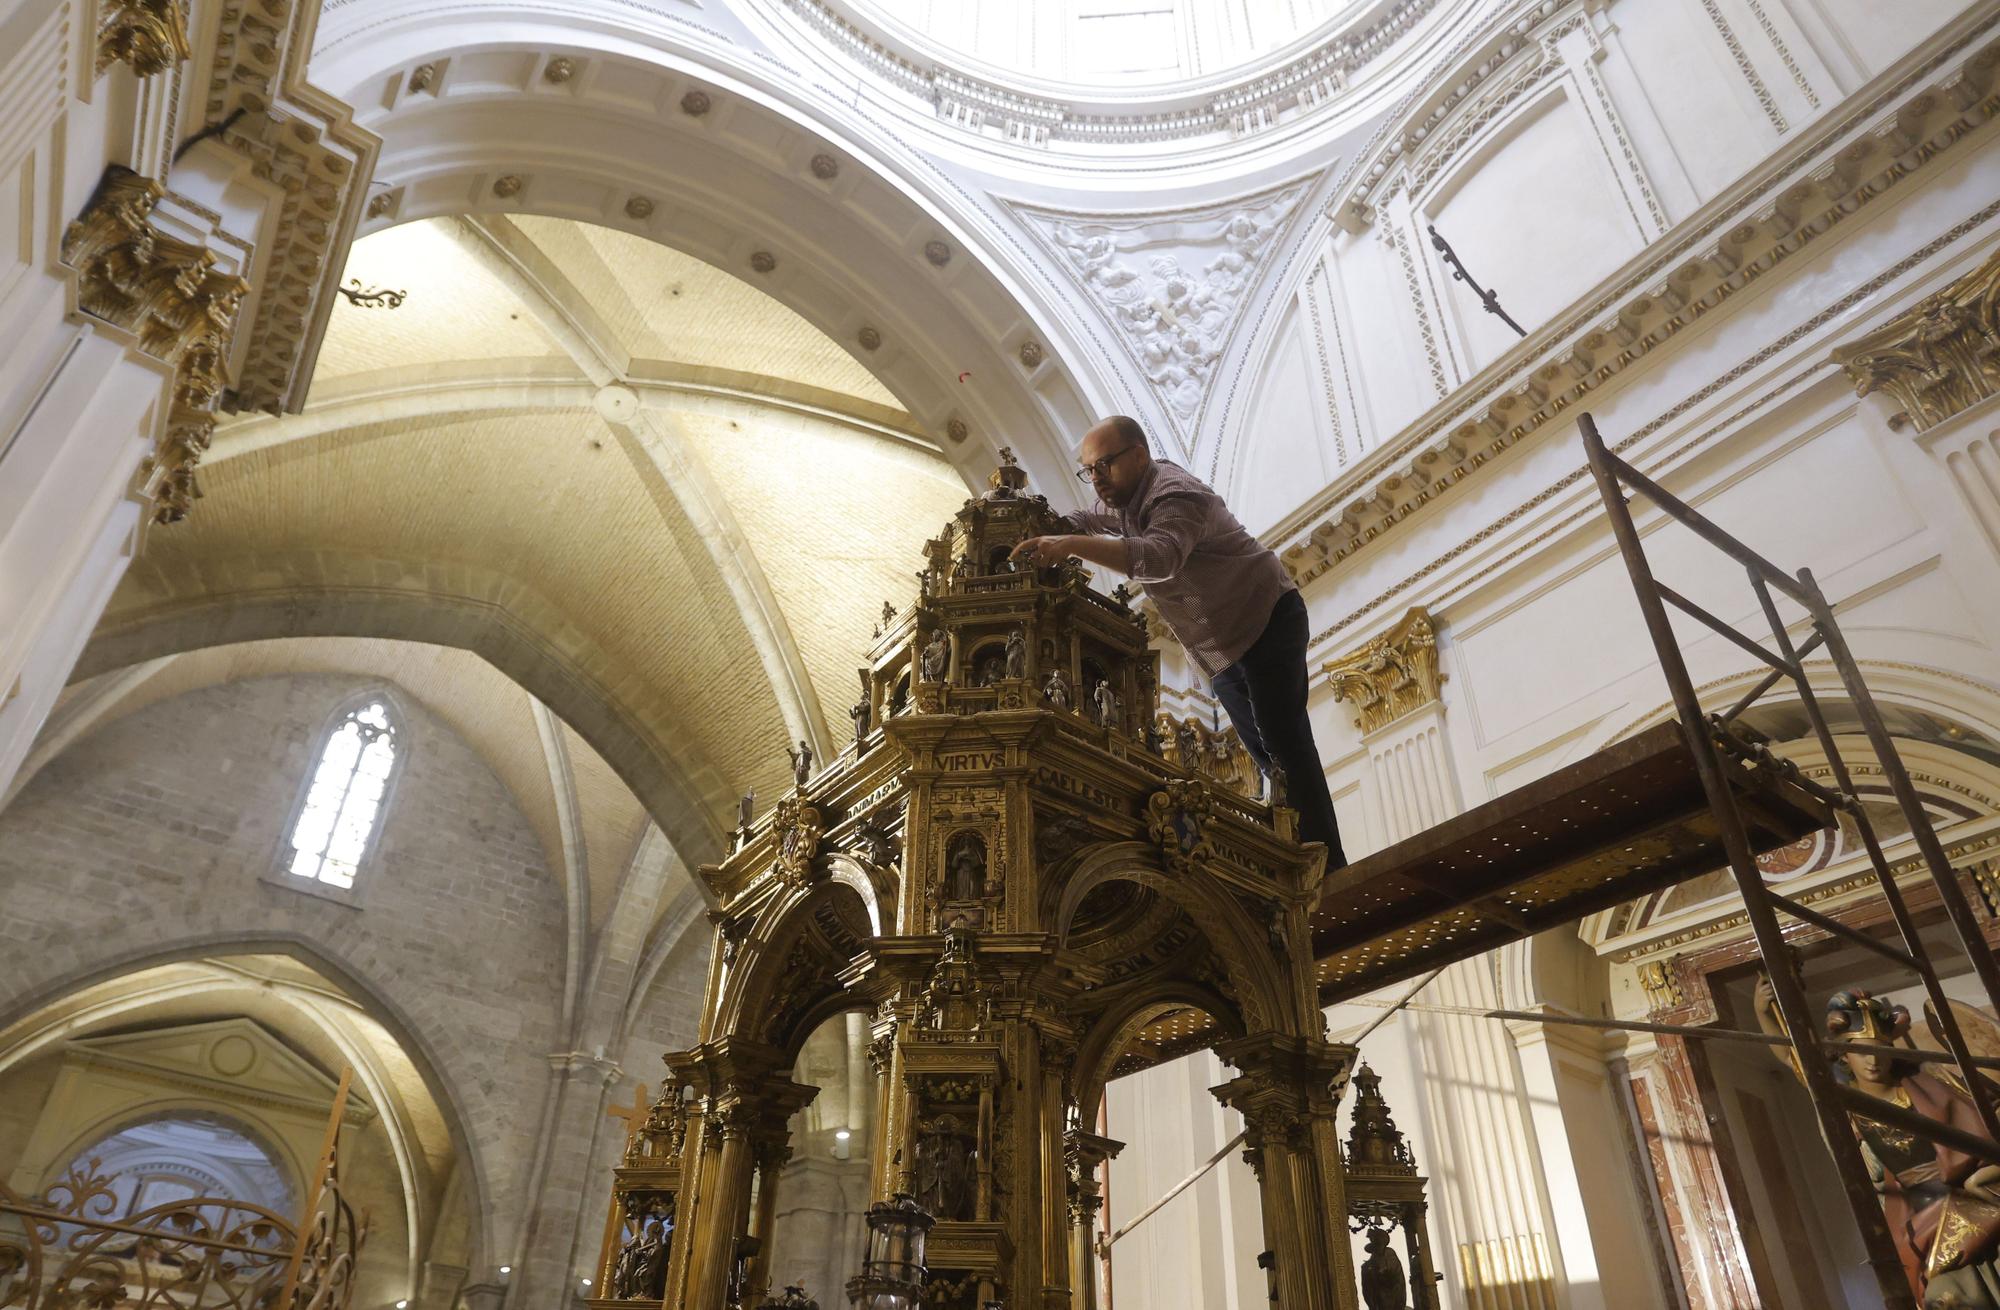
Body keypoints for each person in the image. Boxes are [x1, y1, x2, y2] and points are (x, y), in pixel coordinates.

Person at [1011, 415, 1345, 865]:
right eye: (1088, 470)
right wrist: (1037, 525)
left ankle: (1330, 868)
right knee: (1268, 761)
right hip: (1223, 652)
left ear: (1139, 455)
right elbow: (1083, 518)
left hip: (1267, 620)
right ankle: (1302, 866)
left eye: (1104, 465)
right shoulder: (1119, 502)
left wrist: (1068, 543)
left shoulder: (1174, 492)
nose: (1096, 478)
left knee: (1286, 749)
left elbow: (1159, 557)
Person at [1751, 977, 2000, 1304]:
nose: (1872, 1061)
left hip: (1977, 1201)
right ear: (1844, 1055)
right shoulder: (1848, 1108)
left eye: (1879, 1050)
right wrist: (1763, 1012)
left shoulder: (1927, 1083)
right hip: (1920, 1223)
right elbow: (1794, 1060)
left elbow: (1983, 1117)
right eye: (1860, 1051)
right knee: (1946, 1298)